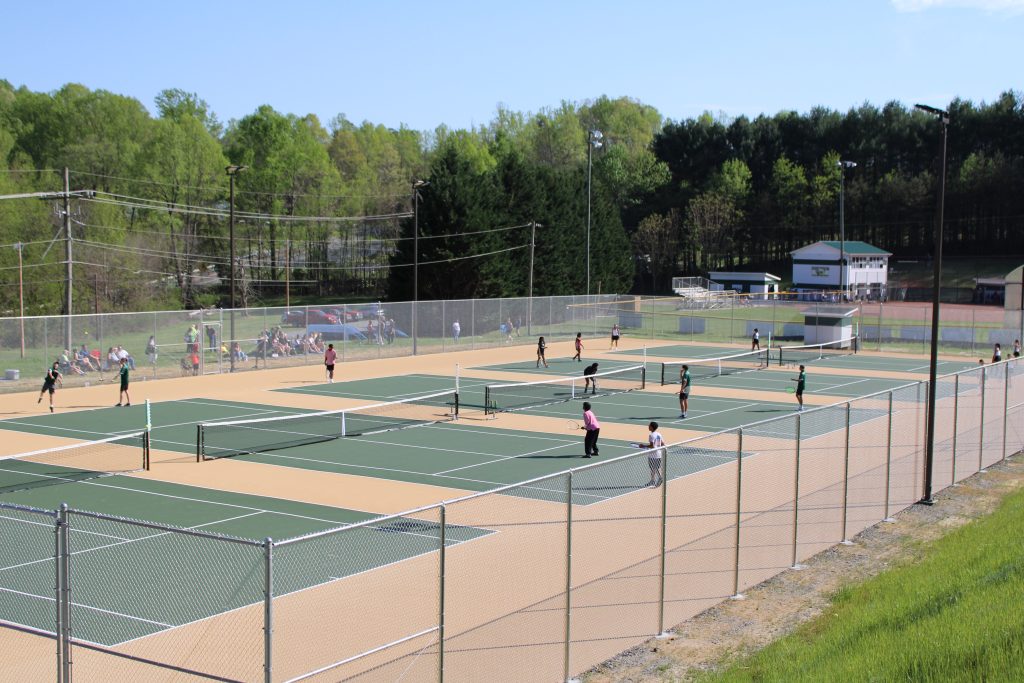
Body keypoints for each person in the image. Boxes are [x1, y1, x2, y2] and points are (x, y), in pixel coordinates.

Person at [642, 421, 665, 487]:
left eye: (649, 425)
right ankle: (652, 481)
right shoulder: (659, 434)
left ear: (652, 427)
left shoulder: (651, 435)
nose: (648, 426)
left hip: (652, 455)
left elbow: (651, 446)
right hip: (659, 454)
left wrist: (643, 446)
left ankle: (660, 478)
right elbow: (663, 443)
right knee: (654, 468)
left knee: (654, 468)